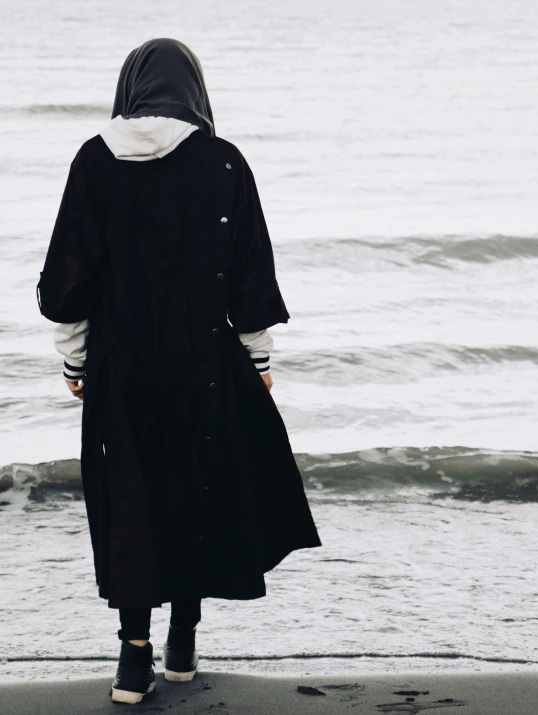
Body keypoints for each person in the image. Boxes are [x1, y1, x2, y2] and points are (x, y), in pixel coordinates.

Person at [36, 37, 322, 705]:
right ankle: (184, 641)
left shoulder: (92, 162)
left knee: (131, 503)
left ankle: (132, 657)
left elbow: (67, 282)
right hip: (206, 368)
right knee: (195, 492)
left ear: (129, 88)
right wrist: (257, 361)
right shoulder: (223, 163)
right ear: (195, 92)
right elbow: (250, 277)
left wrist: (75, 361)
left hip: (121, 368)